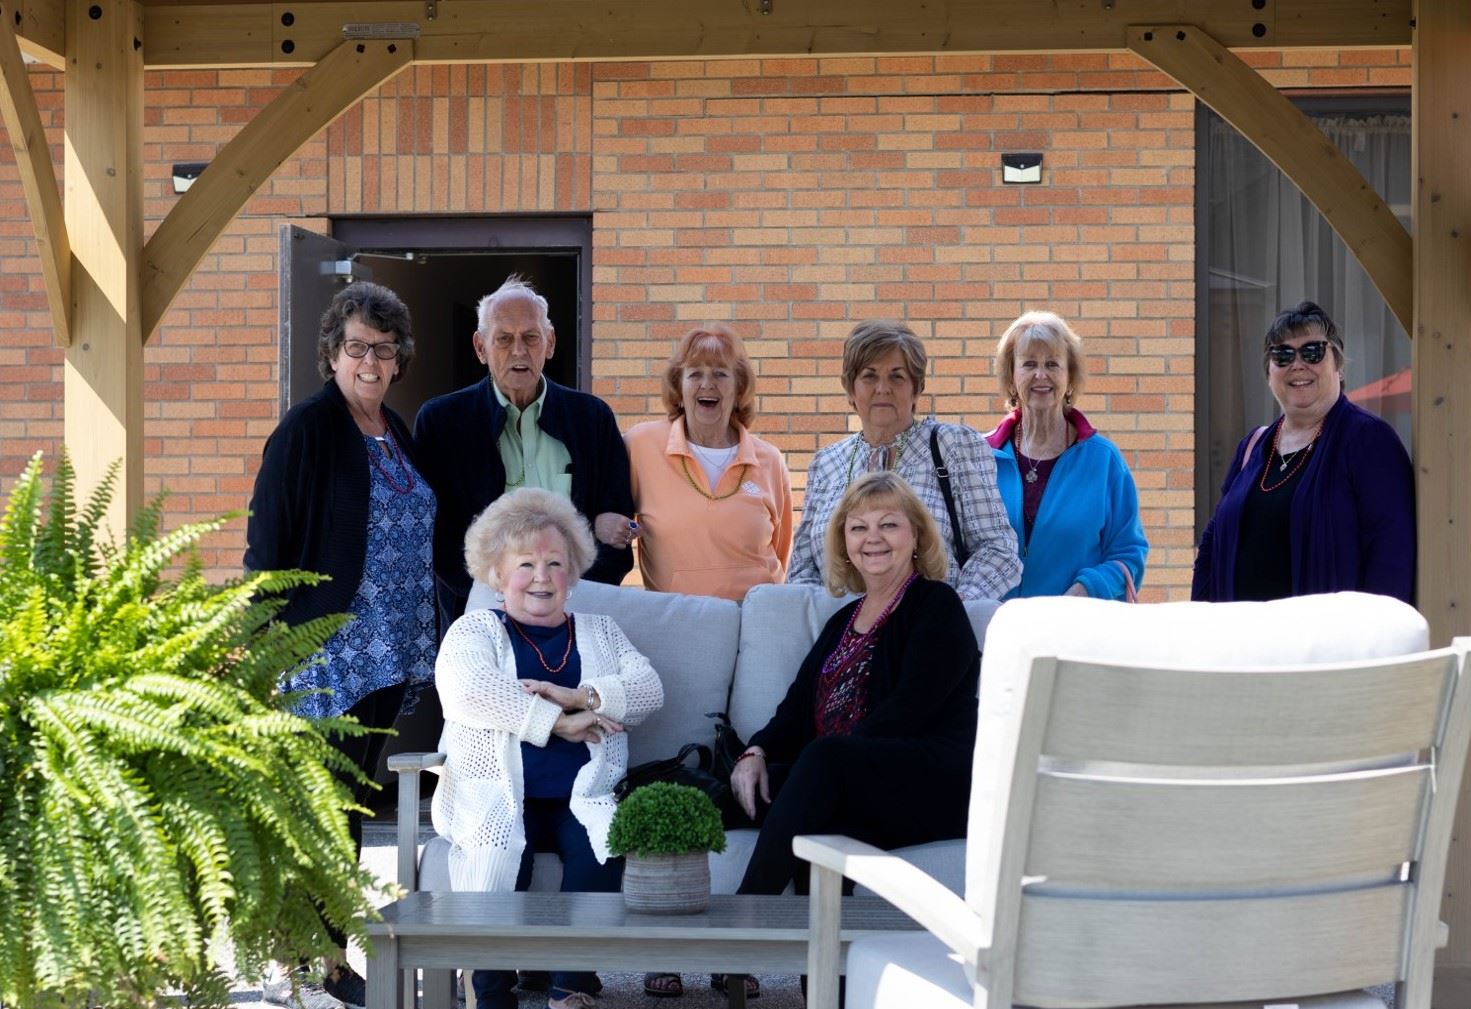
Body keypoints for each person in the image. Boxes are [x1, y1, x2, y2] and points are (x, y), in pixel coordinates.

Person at [245, 281, 437, 1009]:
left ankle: (323, 956)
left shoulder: (395, 427)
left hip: (390, 649)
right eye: (356, 346)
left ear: (397, 360)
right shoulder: (307, 428)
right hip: (327, 653)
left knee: (353, 805)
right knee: (319, 807)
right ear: (332, 353)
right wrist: (270, 646)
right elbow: (267, 546)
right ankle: (306, 960)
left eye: (383, 349)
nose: (369, 360)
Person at [726, 472, 980, 1002]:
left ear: (916, 536)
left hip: (932, 778)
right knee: (786, 791)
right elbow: (797, 709)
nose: (874, 537)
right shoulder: (843, 620)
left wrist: (825, 767)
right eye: (859, 527)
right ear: (844, 542)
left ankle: (741, 926)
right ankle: (823, 983)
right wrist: (757, 751)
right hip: (850, 778)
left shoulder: (937, 605)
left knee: (821, 770)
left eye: (889, 524)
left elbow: (911, 709)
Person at [433, 488, 664, 1009]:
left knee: (599, 850)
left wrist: (580, 694)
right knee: (496, 856)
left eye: (556, 563)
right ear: (495, 574)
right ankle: (489, 992)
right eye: (526, 564)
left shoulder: (601, 631)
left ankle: (570, 989)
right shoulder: (475, 629)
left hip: (579, 793)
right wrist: (558, 722)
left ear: (574, 572)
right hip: (494, 793)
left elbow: (649, 688)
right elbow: (467, 688)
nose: (542, 575)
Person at [414, 275, 635, 634]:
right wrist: (499, 602)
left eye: (531, 337)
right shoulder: (442, 423)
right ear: (480, 347)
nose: (519, 351)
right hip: (480, 620)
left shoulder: (592, 418)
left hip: (576, 618)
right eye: (503, 339)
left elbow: (616, 528)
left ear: (549, 343)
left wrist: (573, 601)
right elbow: (437, 538)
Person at [1193, 301, 1414, 602]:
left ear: (1338, 364)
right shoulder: (1253, 446)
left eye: (1312, 352)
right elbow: (1212, 543)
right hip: (1243, 642)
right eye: (1282, 355)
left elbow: (1392, 553)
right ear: (1269, 372)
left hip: (1326, 645)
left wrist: (1371, 641)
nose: (1298, 365)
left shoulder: (1368, 440)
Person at [786, 320, 1020, 601]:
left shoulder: (953, 446)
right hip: (845, 635)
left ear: (916, 389)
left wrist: (949, 610)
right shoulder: (827, 463)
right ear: (850, 389)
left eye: (897, 376)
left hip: (929, 634)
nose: (883, 388)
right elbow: (802, 571)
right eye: (869, 376)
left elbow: (998, 550)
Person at [621, 324, 793, 601]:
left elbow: (782, 550)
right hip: (676, 619)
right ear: (679, 387)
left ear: (739, 389)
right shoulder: (640, 445)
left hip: (755, 620)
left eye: (720, 374)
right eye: (695, 374)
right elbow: (612, 516)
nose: (707, 384)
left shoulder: (769, 460)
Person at [984, 310, 1148, 599]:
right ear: (1011, 376)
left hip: (1076, 629)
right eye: (1029, 364)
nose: (1041, 374)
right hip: (997, 632)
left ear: (1069, 377)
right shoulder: (981, 458)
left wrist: (1086, 589)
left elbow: (1129, 554)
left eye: (1052, 364)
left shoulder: (1103, 461)